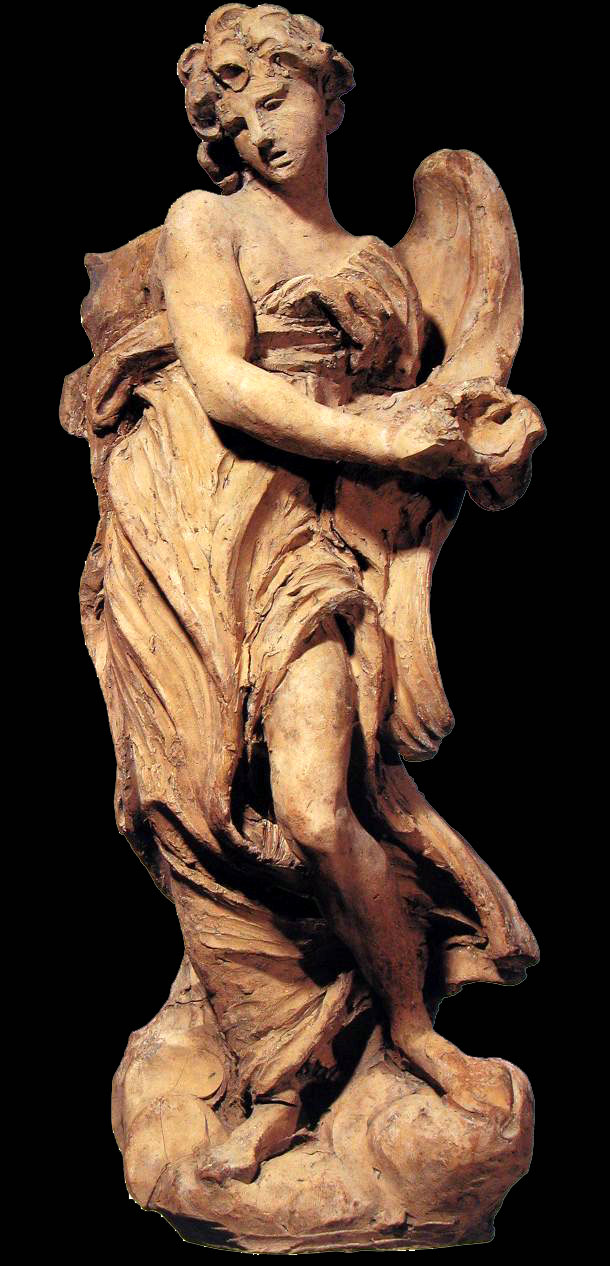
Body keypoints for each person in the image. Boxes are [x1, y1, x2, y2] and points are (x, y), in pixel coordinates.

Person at [62, 3, 544, 1183]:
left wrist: (487, 442)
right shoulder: (207, 222)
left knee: (320, 807)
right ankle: (276, 1081)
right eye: (233, 120)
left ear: (327, 96)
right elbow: (225, 382)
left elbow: (429, 421)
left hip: (301, 541)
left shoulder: (377, 266)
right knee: (189, 803)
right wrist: (387, 438)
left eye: (275, 100)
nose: (258, 131)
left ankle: (412, 1030)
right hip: (189, 522)